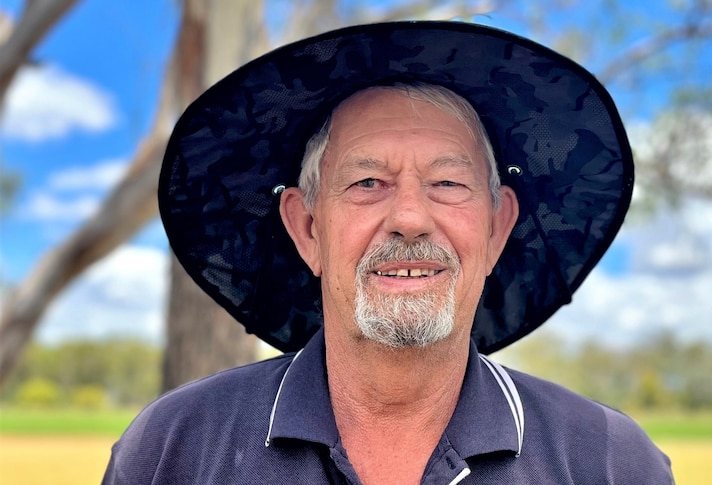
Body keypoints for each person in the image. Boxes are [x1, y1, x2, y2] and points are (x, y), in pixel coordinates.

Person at [103, 21, 674, 484]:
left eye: (448, 184)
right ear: (306, 227)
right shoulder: (174, 448)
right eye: (366, 183)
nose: (408, 219)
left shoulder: (608, 461)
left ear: (498, 227)